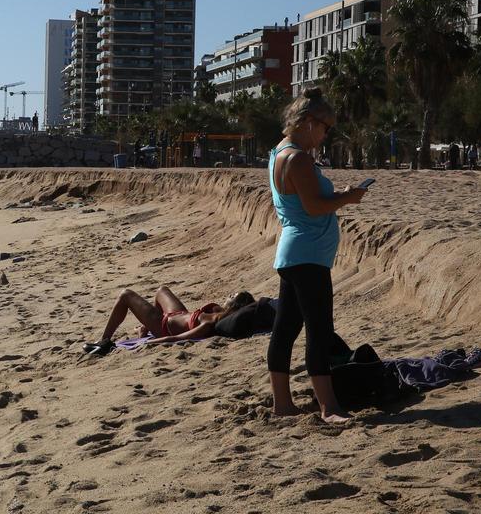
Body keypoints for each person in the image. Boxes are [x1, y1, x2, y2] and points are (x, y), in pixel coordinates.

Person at [267, 87, 366, 423]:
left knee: (286, 328)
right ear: (309, 122)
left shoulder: (278, 153)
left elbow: (300, 202)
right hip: (307, 255)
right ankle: (329, 407)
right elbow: (313, 207)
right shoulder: (298, 157)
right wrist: (348, 198)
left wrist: (338, 196)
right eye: (325, 128)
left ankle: (282, 404)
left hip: (295, 253)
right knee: (319, 329)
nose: (325, 136)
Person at [85, 286, 255, 355]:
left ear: (235, 307)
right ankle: (145, 328)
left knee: (126, 295)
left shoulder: (209, 324)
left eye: (233, 296)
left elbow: (177, 339)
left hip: (164, 326)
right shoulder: (218, 311)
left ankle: (104, 341)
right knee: (161, 290)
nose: (229, 295)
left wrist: (146, 343)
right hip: (177, 313)